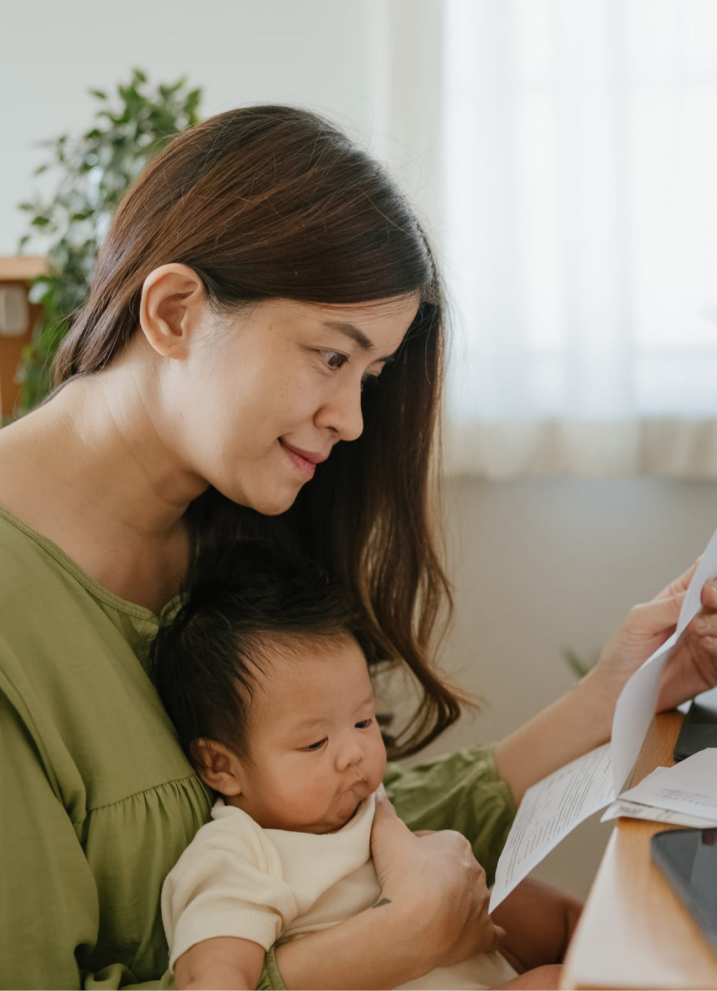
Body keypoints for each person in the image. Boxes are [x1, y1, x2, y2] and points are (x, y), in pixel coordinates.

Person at [0, 104, 716, 991]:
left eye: (370, 375)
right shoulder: (19, 619)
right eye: (331, 358)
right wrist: (373, 953)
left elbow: (312, 839)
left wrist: (610, 697)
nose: (351, 420)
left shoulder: (220, 528)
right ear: (177, 313)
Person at [152, 542, 579, 991]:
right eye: (315, 742)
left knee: (564, 944)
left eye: (363, 721)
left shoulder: (364, 804)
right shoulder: (241, 856)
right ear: (222, 765)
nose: (353, 751)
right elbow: (210, 977)